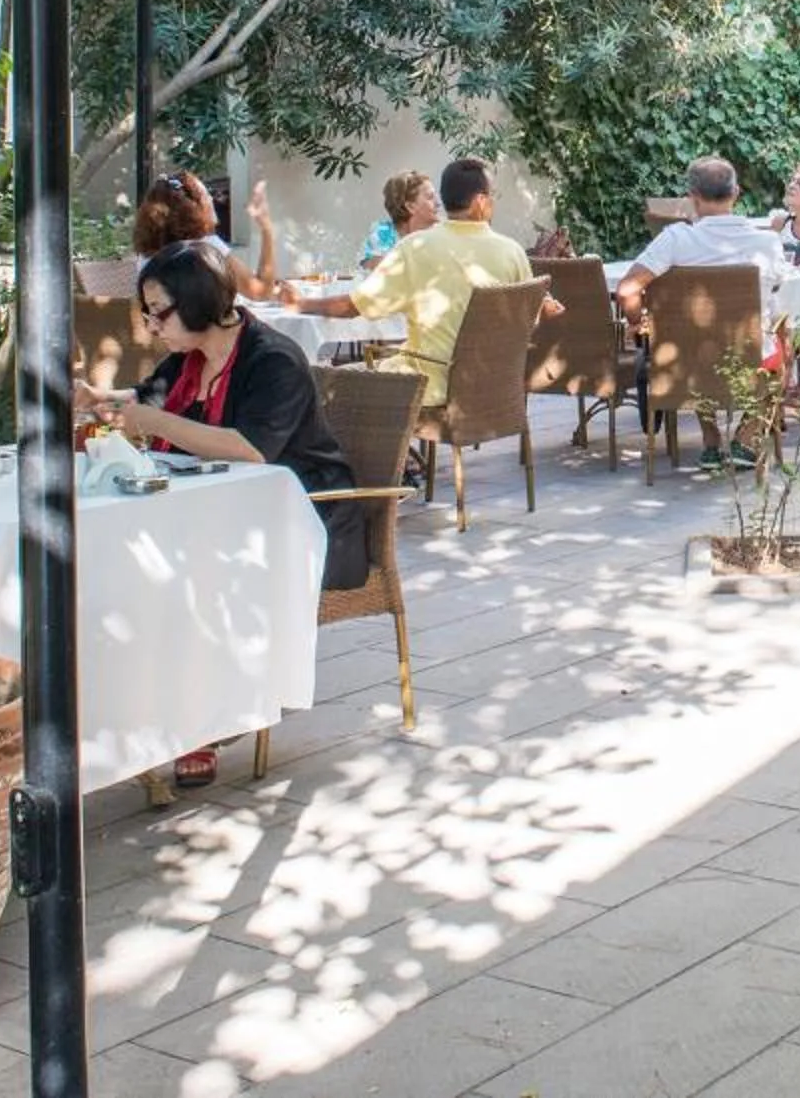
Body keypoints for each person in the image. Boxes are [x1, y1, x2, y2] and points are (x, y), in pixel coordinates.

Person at [72, 241, 364, 792]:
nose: (151, 325)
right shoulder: (189, 362)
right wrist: (99, 399)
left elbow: (249, 448)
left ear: (199, 303)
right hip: (222, 515)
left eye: (159, 311)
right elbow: (147, 397)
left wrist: (142, 418)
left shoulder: (271, 359)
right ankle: (136, 705)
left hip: (302, 521)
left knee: (181, 571)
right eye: (147, 312)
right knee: (132, 563)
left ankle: (196, 725)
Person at [289, 157, 542, 408]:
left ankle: (375, 446)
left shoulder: (414, 248)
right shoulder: (513, 252)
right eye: (492, 195)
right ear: (480, 202)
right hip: (496, 386)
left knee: (328, 382)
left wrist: (301, 304)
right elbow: (531, 318)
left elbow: (354, 306)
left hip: (428, 388)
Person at [617, 156, 790, 468]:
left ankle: (711, 440)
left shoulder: (675, 240)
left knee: (694, 337)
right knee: (781, 347)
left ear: (692, 197)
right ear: (736, 193)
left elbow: (628, 289)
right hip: (751, 357)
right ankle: (747, 436)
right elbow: (778, 289)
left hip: (689, 360)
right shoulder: (767, 242)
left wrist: (637, 324)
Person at [91, 171, 279, 303]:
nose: (212, 200)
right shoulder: (207, 248)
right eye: (207, 196)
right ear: (194, 208)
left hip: (160, 350)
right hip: (208, 351)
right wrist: (267, 229)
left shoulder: (146, 256)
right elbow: (260, 292)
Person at [362, 170, 438, 266]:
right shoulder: (383, 233)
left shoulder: (439, 233)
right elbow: (376, 269)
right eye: (430, 197)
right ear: (410, 207)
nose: (438, 203)